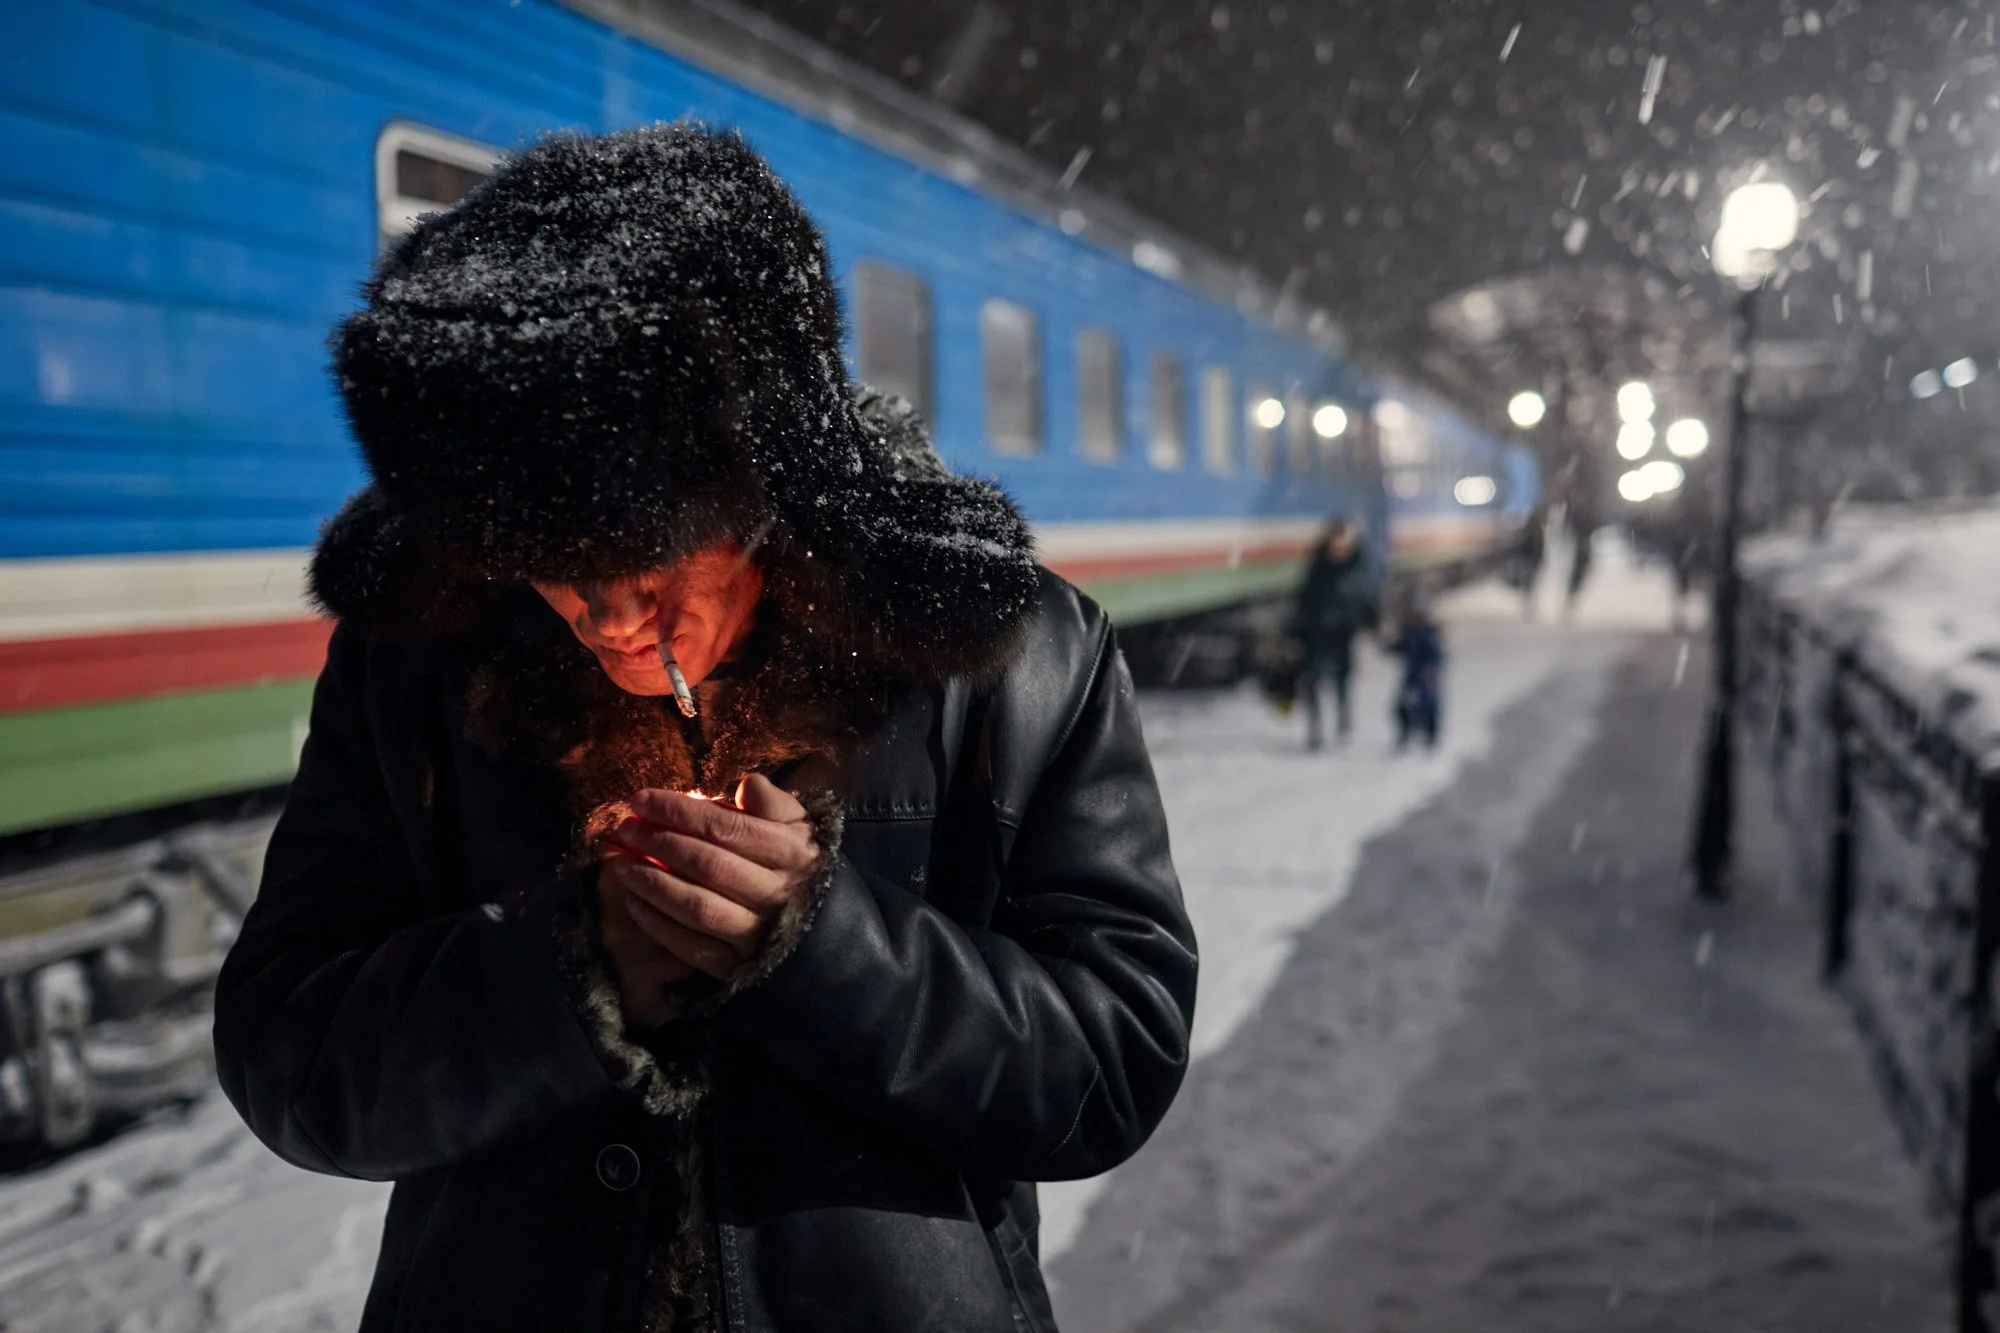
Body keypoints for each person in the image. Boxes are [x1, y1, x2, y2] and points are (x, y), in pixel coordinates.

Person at [212, 125, 1197, 1333]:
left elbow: (1112, 1065)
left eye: (648, 556)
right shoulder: (414, 665)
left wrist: (825, 946)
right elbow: (288, 1057)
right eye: (551, 572)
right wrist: (572, 973)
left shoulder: (1012, 657)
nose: (609, 619)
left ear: (772, 483)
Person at [1292, 518, 1381, 749]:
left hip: (1342, 635)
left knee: (1342, 682)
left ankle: (1343, 726)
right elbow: (1303, 600)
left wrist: (1373, 624)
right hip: (1316, 634)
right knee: (1312, 682)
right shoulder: (1318, 569)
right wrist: (1294, 629)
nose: (1339, 546)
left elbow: (1368, 599)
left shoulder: (1357, 568)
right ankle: (1315, 730)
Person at [1388, 595, 1446, 751]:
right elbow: (1398, 647)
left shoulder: (1428, 632)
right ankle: (1405, 734)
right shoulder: (1408, 631)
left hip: (1425, 674)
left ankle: (1430, 734)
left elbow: (1436, 653)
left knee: (1428, 705)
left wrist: (1431, 668)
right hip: (1412, 673)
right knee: (1402, 705)